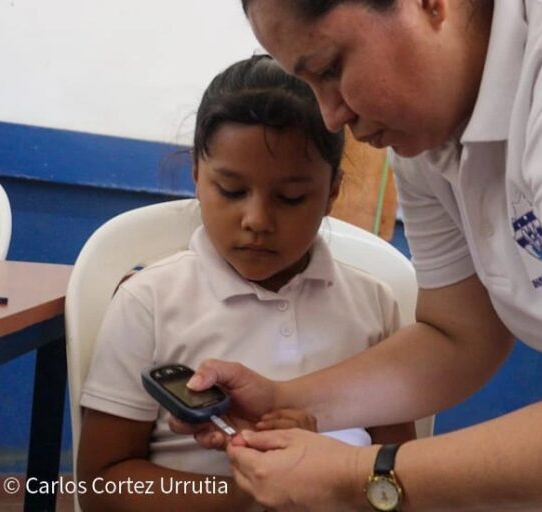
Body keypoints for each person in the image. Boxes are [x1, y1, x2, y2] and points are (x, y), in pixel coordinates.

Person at [172, 1, 542, 511]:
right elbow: (458, 333)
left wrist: (360, 477)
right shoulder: (425, 132)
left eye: (330, 69)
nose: (330, 117)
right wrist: (286, 399)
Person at [77, 55, 416, 512]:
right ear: (197, 174)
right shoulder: (150, 301)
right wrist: (249, 486)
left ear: (332, 191)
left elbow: (398, 470)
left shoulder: (374, 305)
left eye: (291, 197)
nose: (257, 220)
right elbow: (103, 483)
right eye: (232, 191)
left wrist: (322, 470)